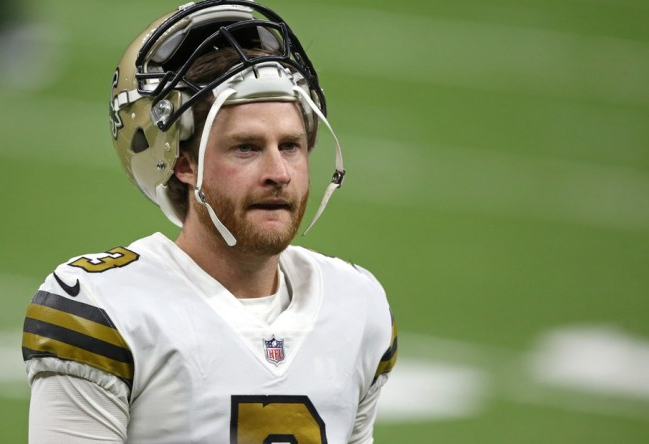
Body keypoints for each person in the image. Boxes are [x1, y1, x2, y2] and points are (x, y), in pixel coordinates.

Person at [21, 1, 397, 442]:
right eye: (246, 148)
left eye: (291, 145)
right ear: (183, 162)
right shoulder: (106, 311)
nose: (279, 172)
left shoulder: (357, 305)